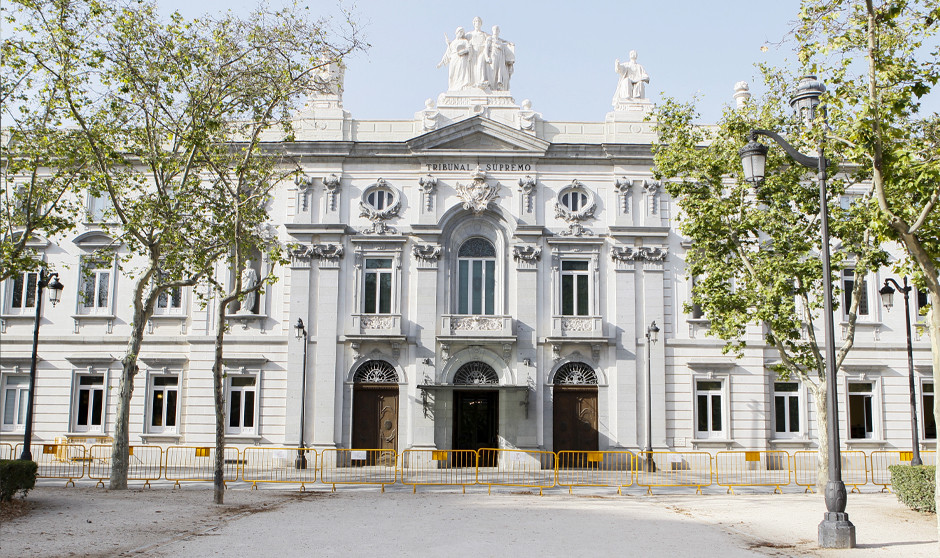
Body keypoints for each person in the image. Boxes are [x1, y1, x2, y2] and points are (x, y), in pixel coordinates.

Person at [487, 25, 514, 91]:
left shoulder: (499, 40)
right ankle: (491, 87)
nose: (495, 31)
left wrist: (509, 43)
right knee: (493, 70)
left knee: (500, 71)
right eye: (494, 29)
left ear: (499, 31)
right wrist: (487, 56)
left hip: (500, 56)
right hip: (493, 55)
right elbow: (486, 48)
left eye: (497, 30)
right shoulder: (490, 38)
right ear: (492, 31)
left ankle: (498, 85)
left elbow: (504, 41)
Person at [465, 16, 490, 88]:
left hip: (481, 52)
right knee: (473, 67)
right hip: (473, 52)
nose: (477, 22)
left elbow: (494, 38)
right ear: (473, 23)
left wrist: (506, 42)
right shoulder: (469, 34)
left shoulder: (484, 34)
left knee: (480, 65)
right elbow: (460, 40)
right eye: (476, 21)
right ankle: (473, 83)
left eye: (479, 21)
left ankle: (481, 81)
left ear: (481, 23)